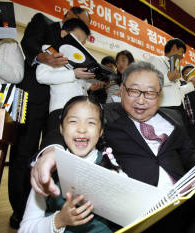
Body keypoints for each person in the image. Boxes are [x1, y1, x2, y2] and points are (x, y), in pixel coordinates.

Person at [31, 61, 195, 233]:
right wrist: (50, 150)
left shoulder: (174, 117)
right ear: (122, 89)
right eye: (134, 91)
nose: (141, 100)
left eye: (150, 93)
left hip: (192, 202)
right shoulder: (106, 115)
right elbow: (70, 124)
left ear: (160, 95)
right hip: (144, 216)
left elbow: (189, 152)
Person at [8, 7, 92, 229]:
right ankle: (18, 210)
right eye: (76, 22)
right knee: (23, 152)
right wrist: (42, 57)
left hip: (57, 107)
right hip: (33, 98)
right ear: (66, 18)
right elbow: (29, 45)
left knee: (52, 156)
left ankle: (45, 207)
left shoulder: (77, 53)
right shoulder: (43, 22)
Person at [19, 95, 124, 233]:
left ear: (101, 131)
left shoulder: (110, 163)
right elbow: (25, 230)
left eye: (91, 123)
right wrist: (60, 220)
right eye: (73, 121)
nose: (82, 129)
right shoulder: (47, 171)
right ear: (61, 129)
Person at [36, 18, 103, 134]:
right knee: (57, 144)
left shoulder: (77, 57)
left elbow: (77, 83)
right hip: (61, 109)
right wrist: (73, 74)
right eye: (77, 39)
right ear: (64, 34)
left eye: (82, 43)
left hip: (81, 110)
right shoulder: (51, 51)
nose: (79, 45)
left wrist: (89, 87)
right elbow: (41, 76)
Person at [147, 38, 195, 108]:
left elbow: (176, 90)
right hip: (164, 107)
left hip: (179, 108)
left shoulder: (176, 66)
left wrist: (191, 84)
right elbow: (148, 83)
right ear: (174, 48)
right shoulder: (156, 59)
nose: (182, 56)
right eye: (182, 52)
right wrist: (167, 78)